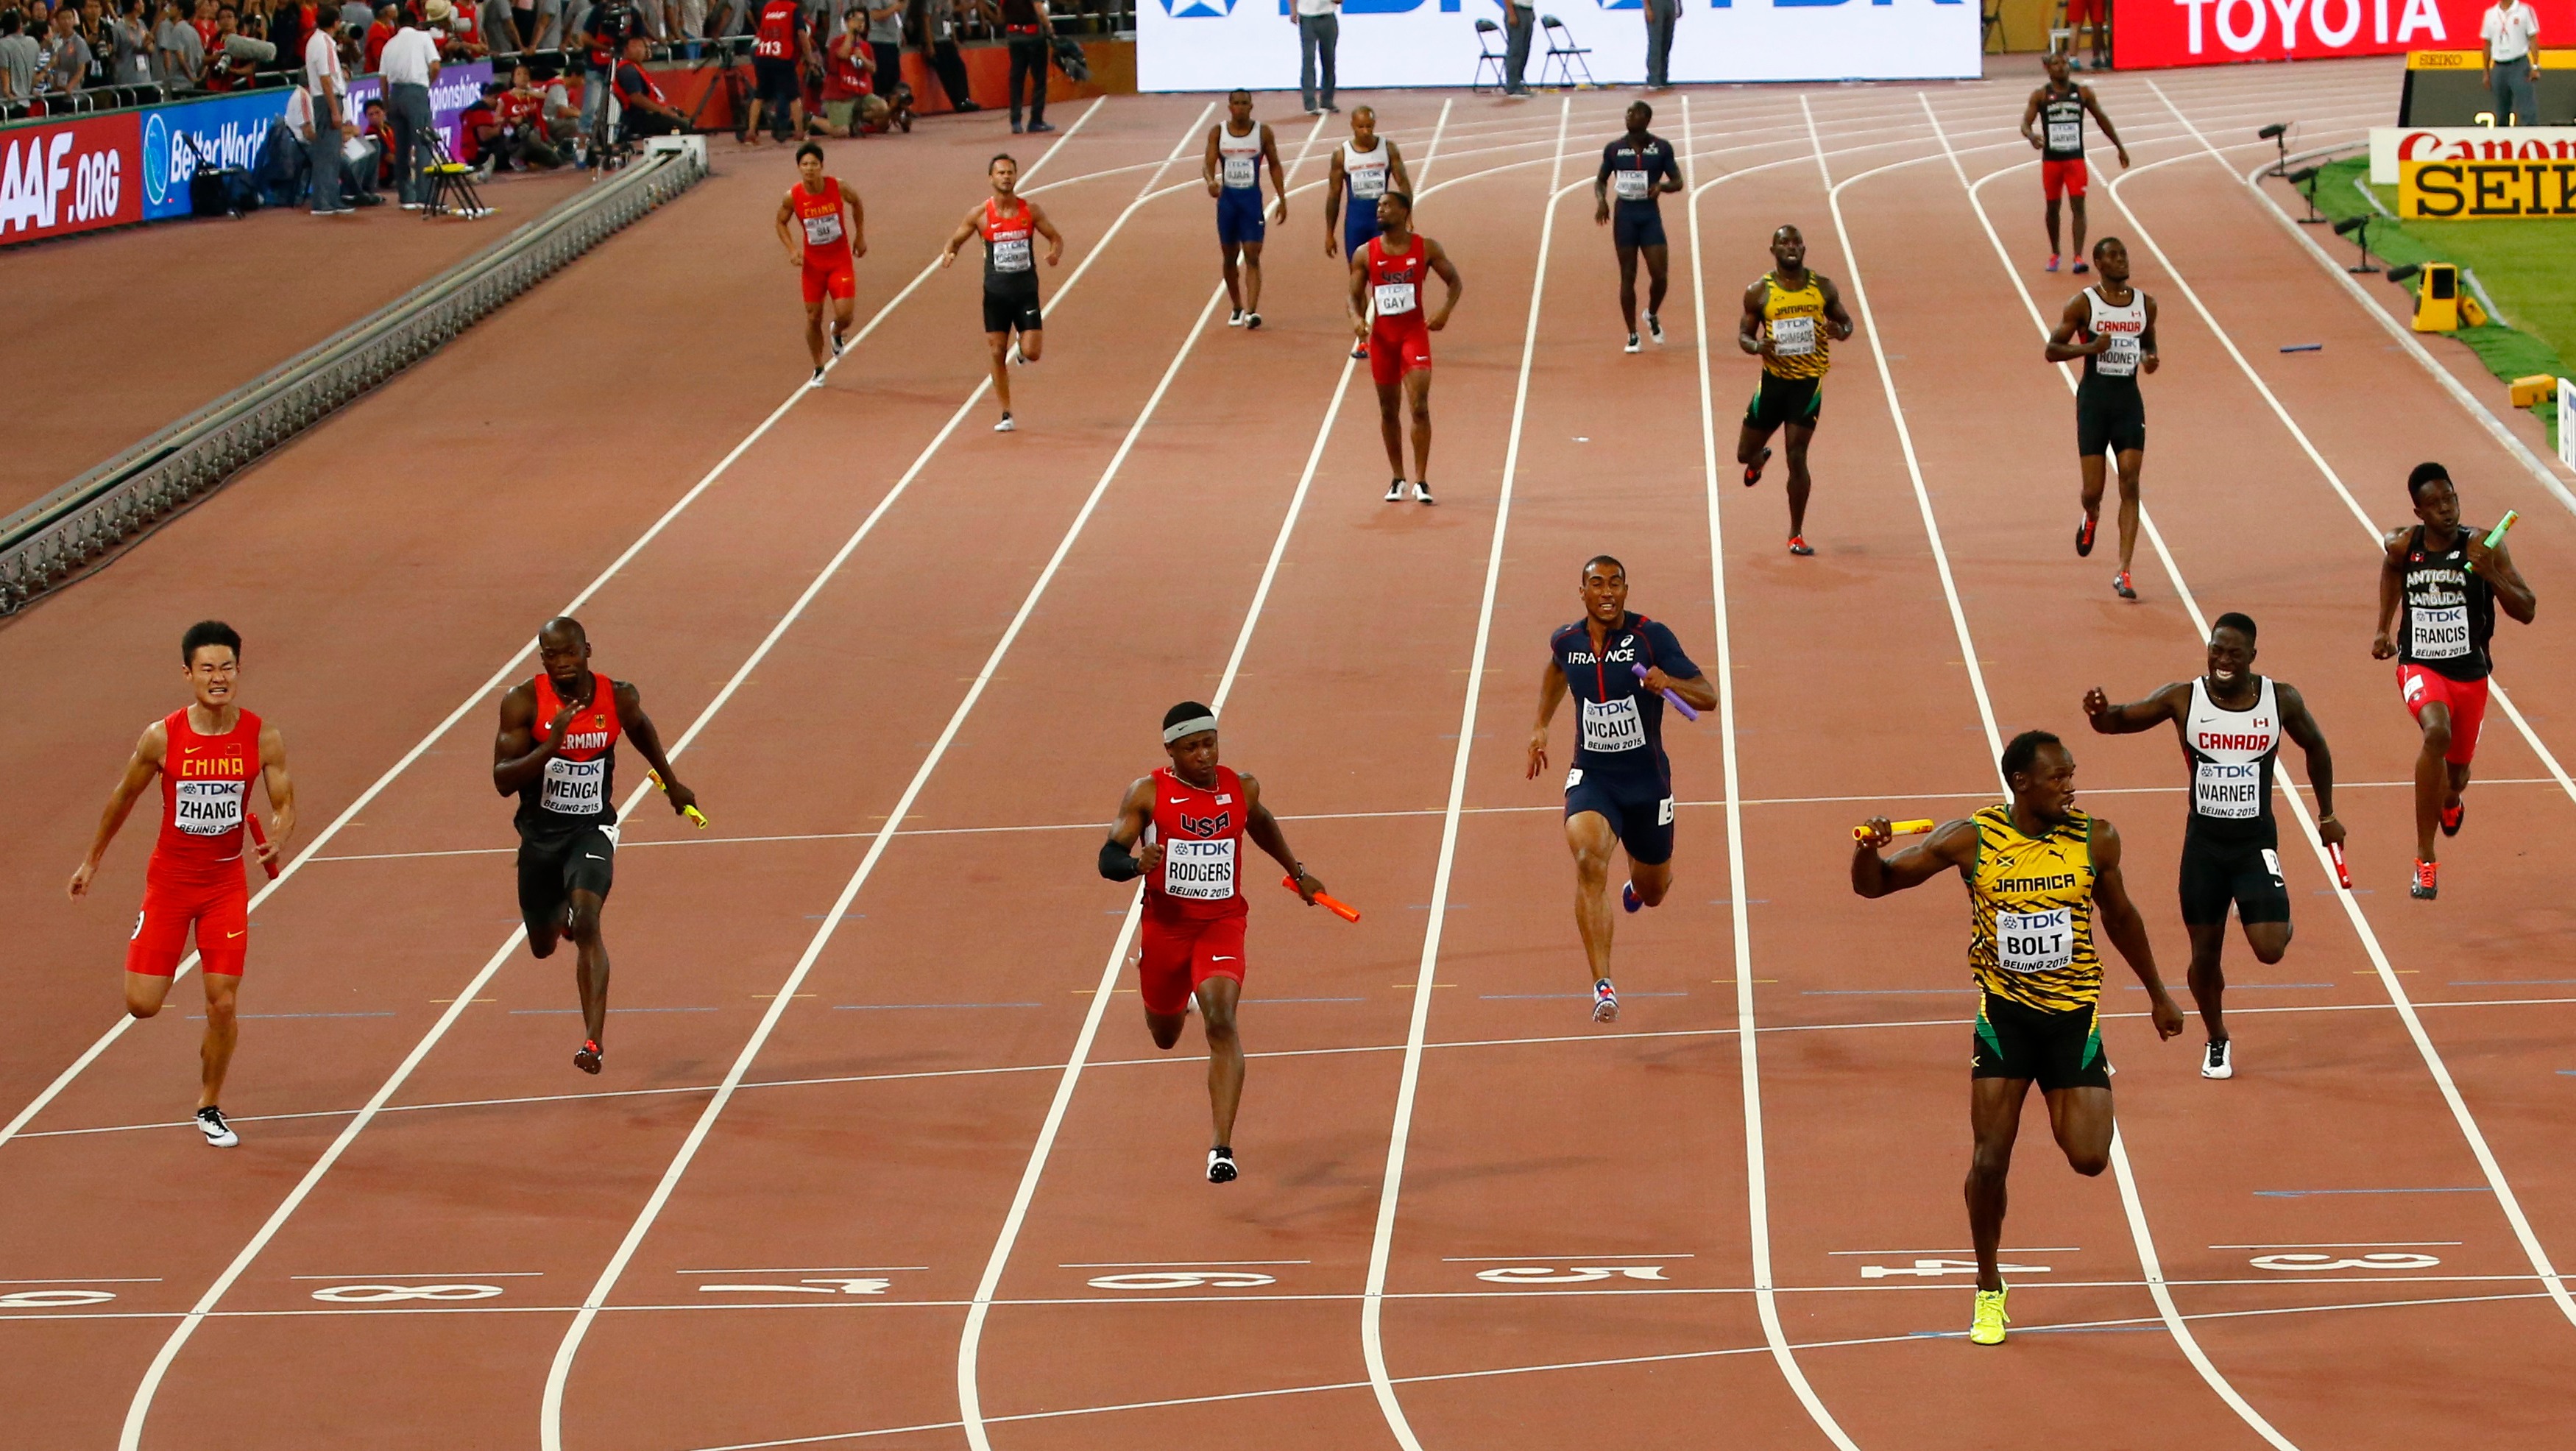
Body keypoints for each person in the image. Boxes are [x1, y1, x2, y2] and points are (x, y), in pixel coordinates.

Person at [1852, 730, 2185, 1346]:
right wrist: (1867, 849)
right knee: (1988, 1160)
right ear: (2022, 783)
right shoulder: (1972, 838)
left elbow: (2120, 916)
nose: (2071, 786)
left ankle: (2074, 1088)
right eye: (2059, 777)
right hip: (2005, 1020)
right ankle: (1988, 1286)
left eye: (2072, 774)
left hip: (2071, 1019)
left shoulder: (2096, 838)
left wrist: (2158, 992)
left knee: (2090, 1157)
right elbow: (1875, 885)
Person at [68, 622, 297, 1150]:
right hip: (170, 884)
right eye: (207, 669)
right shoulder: (162, 737)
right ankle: (151, 944)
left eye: (227, 668)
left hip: (224, 886)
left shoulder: (262, 736)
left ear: (238, 670)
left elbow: (285, 802)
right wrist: (90, 863)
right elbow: (122, 798)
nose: (219, 678)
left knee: (223, 1003)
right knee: (142, 1004)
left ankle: (209, 1105)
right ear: (188, 674)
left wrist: (280, 835)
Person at [2082, 614, 2342, 1079]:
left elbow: (2317, 747)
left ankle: (2269, 913)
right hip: (2204, 847)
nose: (2223, 660)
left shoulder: (2280, 699)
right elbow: (2119, 721)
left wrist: (2326, 814)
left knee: (2270, 949)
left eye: (2234, 653)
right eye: (2216, 650)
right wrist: (2099, 714)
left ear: (2252, 657)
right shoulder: (2184, 698)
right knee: (2205, 953)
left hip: (2254, 843)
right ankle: (2217, 1038)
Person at [1099, 702, 1331, 1185]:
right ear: (1170, 750)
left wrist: (1298, 872)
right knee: (1164, 1037)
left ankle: (1221, 1149)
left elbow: (1260, 822)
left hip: (1222, 923)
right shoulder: (1148, 793)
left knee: (1221, 1019)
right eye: (1192, 748)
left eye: (1210, 744)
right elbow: (1109, 856)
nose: (1204, 755)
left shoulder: (1240, 787)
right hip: (1166, 928)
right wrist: (1137, 865)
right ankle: (1171, 986)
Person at [491, 618, 698, 1075]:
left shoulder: (617, 696)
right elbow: (502, 780)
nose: (563, 663)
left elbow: (640, 729)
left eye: (570, 653)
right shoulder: (523, 702)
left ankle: (593, 1041)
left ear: (587, 650)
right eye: (552, 656)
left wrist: (672, 784)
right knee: (542, 946)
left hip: (592, 829)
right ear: (542, 659)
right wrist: (551, 745)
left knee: (588, 921)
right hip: (540, 839)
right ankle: (557, 919)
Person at [1525, 557, 1716, 1024]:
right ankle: (1603, 985)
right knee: (1589, 859)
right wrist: (1540, 726)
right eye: (1597, 584)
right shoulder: (1567, 641)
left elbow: (1708, 696)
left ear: (1626, 591)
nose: (1607, 592)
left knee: (1654, 892)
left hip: (1647, 784)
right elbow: (1556, 670)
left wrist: (1668, 681)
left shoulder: (1652, 638)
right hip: (1594, 778)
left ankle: (1637, 885)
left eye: (1615, 584)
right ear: (1583, 592)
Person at [2372, 462, 2538, 900]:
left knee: (2458, 774)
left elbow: (2527, 610)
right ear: (2419, 512)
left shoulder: (2483, 545)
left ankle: (2450, 799)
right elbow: (2391, 567)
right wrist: (2383, 629)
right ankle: (2425, 861)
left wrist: (2490, 574)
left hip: (2470, 674)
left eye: (2450, 499)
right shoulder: (2405, 544)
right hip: (2419, 666)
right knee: (2437, 732)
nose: (2446, 509)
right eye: (2435, 504)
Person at [2044, 234, 2158, 601]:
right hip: (2094, 403)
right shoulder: (2083, 304)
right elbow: (2052, 349)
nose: (2123, 260)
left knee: (2131, 481)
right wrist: (2091, 347)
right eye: (2114, 255)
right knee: (2093, 490)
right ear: (2099, 263)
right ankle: (2091, 515)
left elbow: (2148, 342)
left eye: (2124, 254)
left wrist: (2149, 358)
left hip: (2128, 403)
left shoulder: (2145, 304)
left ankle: (2124, 570)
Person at [1736, 224, 1852, 557]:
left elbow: (1847, 323)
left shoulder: (1823, 288)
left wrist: (1840, 330)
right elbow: (1744, 336)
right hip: (1774, 384)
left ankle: (1796, 533)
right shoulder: (1759, 292)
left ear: (1804, 249)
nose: (1791, 247)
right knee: (1743, 454)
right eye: (1784, 242)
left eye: (1796, 242)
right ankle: (1758, 461)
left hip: (1807, 385)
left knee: (1797, 455)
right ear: (1773, 250)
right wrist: (1757, 346)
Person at [1348, 188, 1460, 504]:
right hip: (1383, 340)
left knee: (1419, 406)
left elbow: (1455, 282)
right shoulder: (1365, 253)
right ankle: (1397, 477)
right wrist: (1356, 318)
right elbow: (1352, 296)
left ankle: (1421, 480)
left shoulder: (1426, 248)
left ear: (1404, 212)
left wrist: (1444, 311)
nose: (1380, 210)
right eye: (1378, 206)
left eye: (1387, 205)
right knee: (1388, 410)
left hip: (1413, 335)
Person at [941, 152, 1062, 434]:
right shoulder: (980, 215)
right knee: (996, 351)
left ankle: (1021, 348)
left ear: (1016, 176)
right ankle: (1006, 412)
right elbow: (955, 240)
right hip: (996, 294)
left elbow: (1055, 237)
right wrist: (949, 253)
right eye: (1001, 173)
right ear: (991, 178)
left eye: (1010, 172)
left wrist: (1054, 253)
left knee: (1033, 352)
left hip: (1026, 291)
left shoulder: (1030, 211)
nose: (1006, 177)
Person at [2020, 51, 2129, 275]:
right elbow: (2025, 123)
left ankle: (2078, 257)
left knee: (2078, 207)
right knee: (2052, 208)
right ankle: (2055, 253)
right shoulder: (2041, 96)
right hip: (2052, 162)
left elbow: (2102, 120)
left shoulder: (2082, 93)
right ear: (2048, 69)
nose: (2061, 67)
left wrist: (2119, 147)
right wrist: (2031, 136)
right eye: (2056, 64)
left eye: (2065, 63)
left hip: (2075, 160)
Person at [1595, 100, 1682, 354]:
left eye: (1634, 113)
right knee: (1627, 275)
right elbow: (1600, 180)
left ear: (1646, 119)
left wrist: (1662, 187)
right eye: (1627, 112)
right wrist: (1602, 201)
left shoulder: (1661, 148)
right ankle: (1632, 334)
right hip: (1625, 216)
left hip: (1649, 216)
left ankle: (1651, 314)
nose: (1628, 116)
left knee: (1660, 275)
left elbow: (1678, 181)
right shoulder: (1614, 149)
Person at [779, 141, 864, 384]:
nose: (810, 169)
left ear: (822, 166)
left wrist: (860, 236)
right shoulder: (793, 196)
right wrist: (792, 250)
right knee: (813, 316)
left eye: (814, 164)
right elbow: (780, 222)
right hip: (813, 266)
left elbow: (856, 202)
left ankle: (837, 331)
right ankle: (818, 367)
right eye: (805, 164)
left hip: (839, 261)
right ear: (799, 167)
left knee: (845, 314)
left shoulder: (837, 187)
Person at [1206, 88, 1285, 331]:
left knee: (1252, 254)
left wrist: (1282, 197)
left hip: (1251, 203)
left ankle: (1251, 311)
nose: (1240, 108)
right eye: (1236, 103)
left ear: (1251, 106)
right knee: (1230, 257)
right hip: (1228, 204)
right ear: (1230, 107)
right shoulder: (1218, 132)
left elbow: (1274, 164)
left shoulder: (1262, 133)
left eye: (1245, 103)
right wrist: (1211, 181)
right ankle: (1237, 306)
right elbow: (1208, 164)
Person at [381, 7, 436, 206]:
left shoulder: (389, 44)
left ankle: (406, 196)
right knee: (423, 144)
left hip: (395, 94)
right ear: (417, 24)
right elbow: (435, 65)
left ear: (398, 25)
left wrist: (386, 103)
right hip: (416, 91)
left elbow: (383, 78)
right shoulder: (423, 37)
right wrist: (427, 84)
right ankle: (424, 196)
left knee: (401, 148)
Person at [738, 0, 802, 145]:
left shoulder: (768, 7)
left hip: (762, 52)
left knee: (760, 95)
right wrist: (809, 56)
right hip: (782, 54)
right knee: (793, 95)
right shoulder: (793, 9)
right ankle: (798, 132)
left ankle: (751, 132)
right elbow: (802, 34)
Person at [814, 27, 890, 137]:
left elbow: (873, 69)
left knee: (883, 108)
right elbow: (843, 54)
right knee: (842, 132)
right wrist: (850, 33)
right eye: (856, 21)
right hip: (839, 95)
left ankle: (853, 118)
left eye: (862, 22)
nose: (859, 25)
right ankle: (811, 119)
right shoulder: (837, 42)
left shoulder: (865, 46)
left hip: (860, 93)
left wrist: (862, 58)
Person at [612, 32, 684, 140]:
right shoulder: (627, 70)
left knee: (684, 121)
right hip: (640, 118)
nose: (643, 50)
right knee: (685, 127)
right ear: (626, 49)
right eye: (638, 46)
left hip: (650, 114)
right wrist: (662, 110)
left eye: (644, 47)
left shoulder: (636, 69)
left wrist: (666, 109)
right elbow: (636, 98)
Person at [2481, 0, 2541, 125]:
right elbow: (2487, 44)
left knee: (2527, 109)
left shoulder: (2524, 11)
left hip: (2519, 65)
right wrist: (2486, 72)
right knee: (2501, 111)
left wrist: (2535, 66)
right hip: (2499, 67)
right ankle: (2503, 136)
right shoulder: (2490, 14)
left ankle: (2530, 136)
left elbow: (2533, 39)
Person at [993, 0, 1049, 134]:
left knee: (1016, 79)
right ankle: (1036, 120)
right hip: (1034, 35)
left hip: (1014, 36)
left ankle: (1016, 120)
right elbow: (1039, 10)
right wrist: (1049, 27)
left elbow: (1000, 14)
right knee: (1039, 79)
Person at [1294, 0, 1336, 116]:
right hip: (1307, 17)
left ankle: (1327, 101)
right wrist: (1293, 11)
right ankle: (1310, 104)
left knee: (1329, 60)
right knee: (1308, 60)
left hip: (1327, 16)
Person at [1497, 0, 1530, 97]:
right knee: (1516, 50)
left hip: (1528, 9)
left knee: (1524, 49)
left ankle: (1519, 82)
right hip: (1517, 10)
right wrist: (1511, 14)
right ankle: (1512, 86)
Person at [1641, 0, 1674, 89]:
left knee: (1667, 42)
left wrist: (1678, 4)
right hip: (1655, 4)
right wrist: (1648, 8)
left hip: (1670, 3)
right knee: (1656, 42)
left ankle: (1663, 77)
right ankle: (1654, 79)